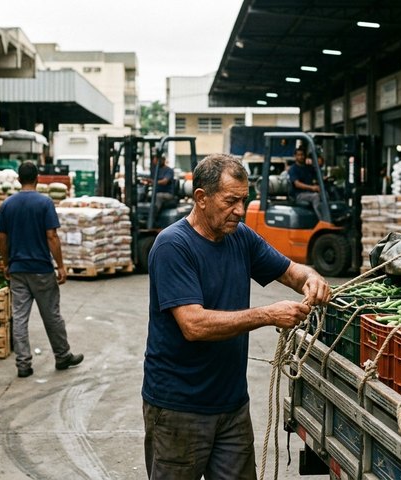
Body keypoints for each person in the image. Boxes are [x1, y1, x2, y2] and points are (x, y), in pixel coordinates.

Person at [142, 153, 331, 479]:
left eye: (244, 200)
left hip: (231, 405)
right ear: (201, 198)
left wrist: (310, 277)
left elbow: (289, 270)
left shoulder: (239, 237)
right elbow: (193, 324)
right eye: (231, 201)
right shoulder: (173, 246)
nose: (240, 211)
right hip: (178, 408)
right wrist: (268, 314)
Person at [0, 161, 83, 378]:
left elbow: (1, 237)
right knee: (51, 315)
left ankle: (23, 363)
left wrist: (6, 263)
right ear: (37, 178)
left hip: (18, 269)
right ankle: (62, 356)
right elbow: (51, 236)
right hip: (41, 269)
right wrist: (60, 265)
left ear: (18, 179)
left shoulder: (7, 204)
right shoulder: (44, 203)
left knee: (20, 317)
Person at [288, 146, 322, 219]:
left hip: (309, 192)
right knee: (315, 197)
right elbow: (297, 184)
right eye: (299, 155)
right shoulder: (293, 169)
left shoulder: (309, 168)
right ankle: (322, 219)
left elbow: (316, 177)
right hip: (299, 194)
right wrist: (312, 188)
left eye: (302, 155)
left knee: (325, 194)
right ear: (295, 156)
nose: (301, 157)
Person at [145, 154, 176, 222]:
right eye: (154, 160)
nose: (155, 162)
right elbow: (151, 180)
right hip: (156, 192)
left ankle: (152, 219)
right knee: (147, 196)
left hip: (167, 194)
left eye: (156, 160)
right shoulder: (155, 170)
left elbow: (165, 181)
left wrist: (153, 182)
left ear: (163, 160)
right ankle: (145, 216)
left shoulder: (169, 170)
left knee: (158, 196)